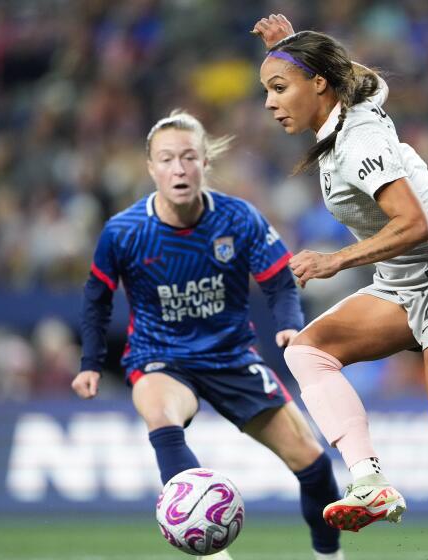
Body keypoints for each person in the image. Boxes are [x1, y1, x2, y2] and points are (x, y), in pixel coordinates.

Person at [251, 14, 428, 560]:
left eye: (280, 88)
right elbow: (354, 75)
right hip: (403, 283)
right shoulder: (351, 108)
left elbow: (414, 224)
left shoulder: (359, 140)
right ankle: (369, 481)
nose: (271, 103)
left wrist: (335, 260)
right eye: (267, 91)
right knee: (308, 352)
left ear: (318, 85)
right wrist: (292, 50)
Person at [71, 110, 345, 560]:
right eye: (167, 159)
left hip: (232, 357)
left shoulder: (238, 219)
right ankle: (212, 550)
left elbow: (278, 280)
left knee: (314, 465)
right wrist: (90, 363)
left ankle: (329, 556)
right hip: (160, 357)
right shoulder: (124, 231)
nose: (179, 169)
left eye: (189, 157)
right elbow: (96, 298)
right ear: (150, 167)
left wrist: (291, 324)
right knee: (162, 415)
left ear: (204, 163)